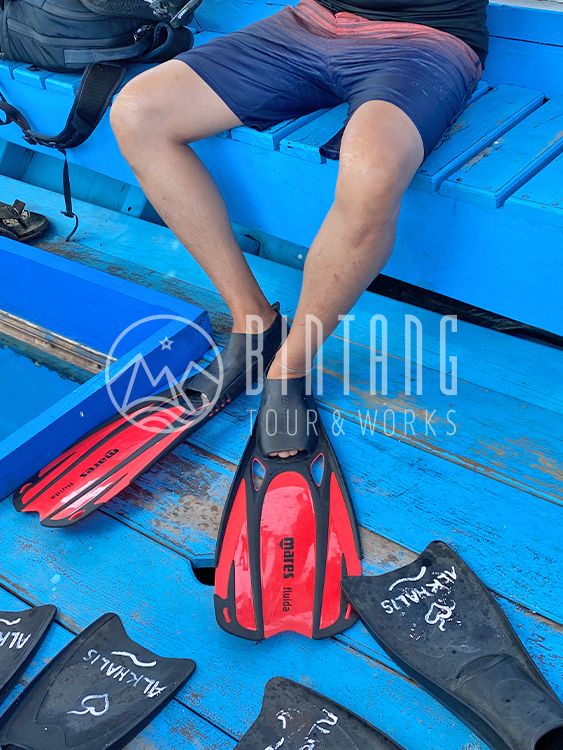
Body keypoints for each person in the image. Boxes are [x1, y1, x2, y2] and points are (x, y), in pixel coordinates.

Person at [110, 0, 487, 456]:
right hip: (312, 21)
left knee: (372, 172)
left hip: (424, 39)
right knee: (138, 111)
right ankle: (254, 322)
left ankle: (289, 366)